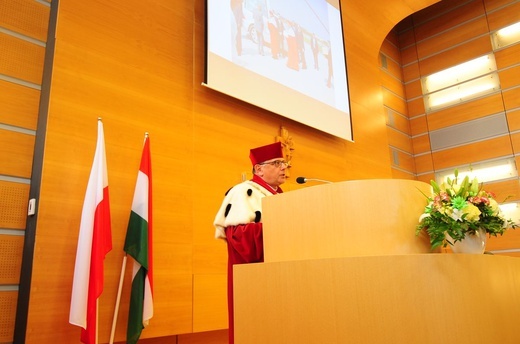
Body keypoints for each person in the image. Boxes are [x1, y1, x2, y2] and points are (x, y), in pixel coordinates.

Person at [213, 142, 287, 344]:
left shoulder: (281, 196)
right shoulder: (242, 191)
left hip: (283, 276)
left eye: (284, 163)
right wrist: (281, 227)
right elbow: (237, 235)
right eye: (277, 163)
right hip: (253, 279)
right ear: (259, 169)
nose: (284, 167)